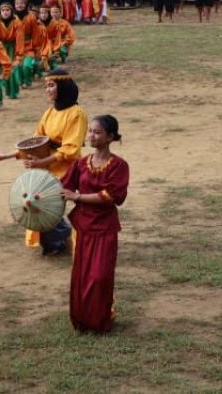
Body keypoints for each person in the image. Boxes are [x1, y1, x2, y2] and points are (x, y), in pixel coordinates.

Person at [0, 69, 87, 255]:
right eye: (46, 86)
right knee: (31, 203)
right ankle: (58, 238)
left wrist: (42, 162)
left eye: (51, 85)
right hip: (48, 168)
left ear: (63, 86)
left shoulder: (77, 114)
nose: (47, 90)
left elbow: (70, 149)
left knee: (41, 201)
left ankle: (60, 237)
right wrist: (4, 156)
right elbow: (34, 143)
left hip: (69, 169)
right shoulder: (49, 112)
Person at [61, 115, 130, 333]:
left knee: (100, 276)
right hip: (82, 226)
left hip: (105, 227)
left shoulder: (119, 166)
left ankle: (100, 320)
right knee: (81, 275)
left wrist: (78, 197)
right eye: (90, 131)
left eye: (97, 132)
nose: (91, 135)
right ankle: (82, 321)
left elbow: (110, 196)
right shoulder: (81, 164)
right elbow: (62, 187)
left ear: (110, 137)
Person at [0, 3, 23, 101]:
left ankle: (14, 92)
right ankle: (8, 91)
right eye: (3, 11)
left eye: (7, 10)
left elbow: (19, 39)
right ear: (0, 12)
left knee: (12, 70)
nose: (5, 12)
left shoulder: (17, 23)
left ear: (11, 12)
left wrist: (18, 56)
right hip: (3, 48)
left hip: (14, 47)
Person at [13, 0, 41, 87]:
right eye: (17, 4)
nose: (19, 5)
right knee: (18, 66)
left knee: (27, 66)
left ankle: (28, 82)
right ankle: (21, 82)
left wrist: (37, 48)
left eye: (21, 3)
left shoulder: (31, 17)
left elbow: (36, 33)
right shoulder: (12, 18)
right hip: (16, 46)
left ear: (26, 5)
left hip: (29, 46)